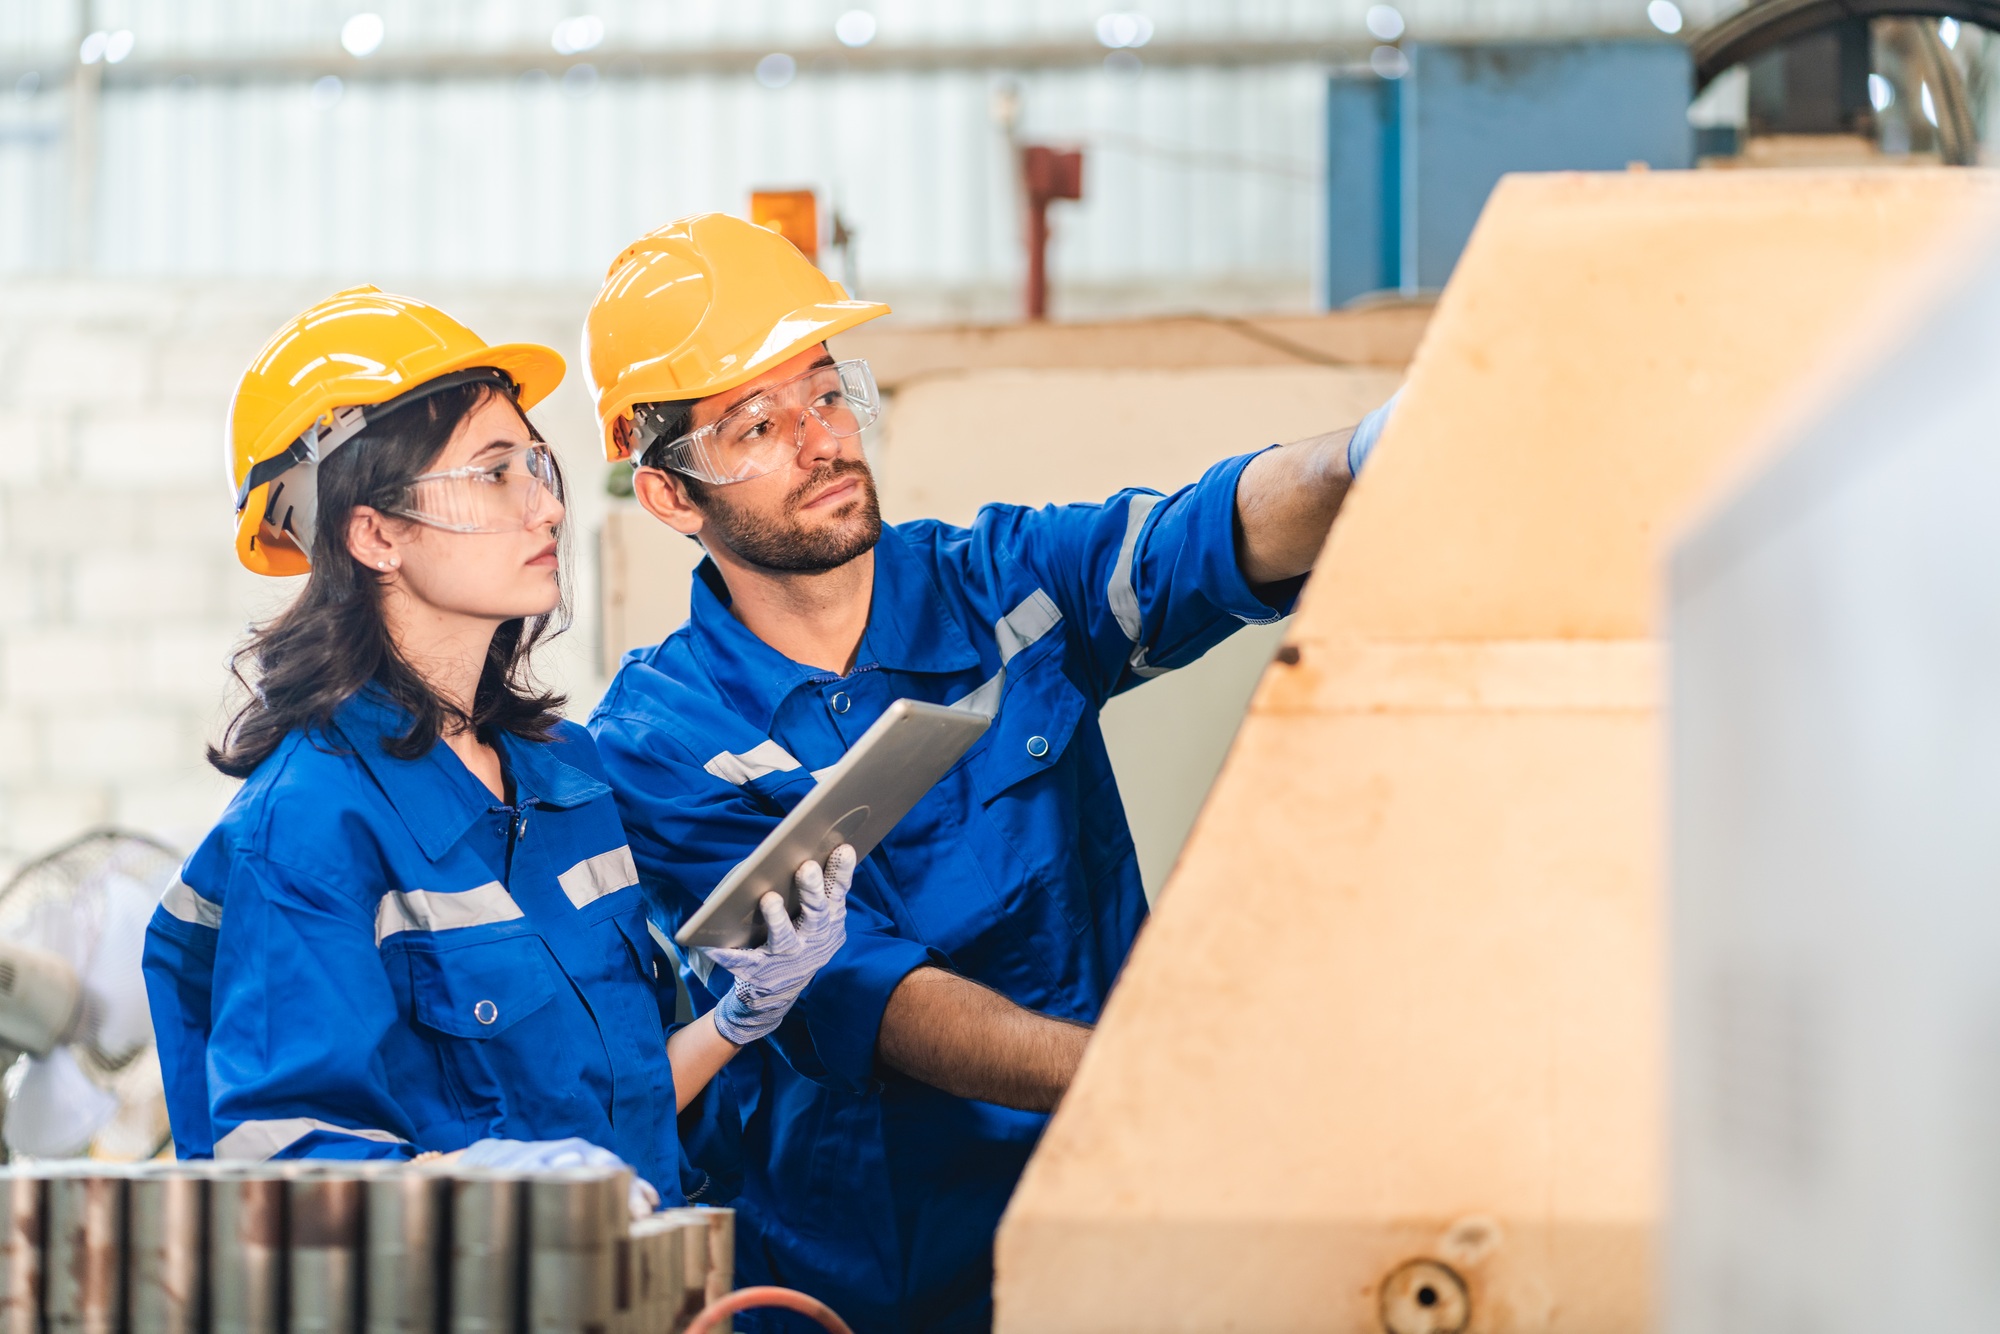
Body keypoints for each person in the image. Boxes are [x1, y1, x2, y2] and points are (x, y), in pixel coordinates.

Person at [581, 213, 1397, 1326]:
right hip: (859, 1278)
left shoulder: (999, 586)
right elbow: (863, 992)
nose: (821, 442)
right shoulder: (661, 739)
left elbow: (1203, 536)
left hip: (1101, 1225)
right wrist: (1147, 1074)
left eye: (827, 393)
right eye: (756, 425)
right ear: (672, 494)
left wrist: (1364, 456)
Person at [141, 287, 848, 1212]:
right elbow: (289, 1176)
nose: (545, 508)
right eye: (493, 474)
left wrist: (737, 1017)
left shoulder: (566, 776)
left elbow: (616, 1117)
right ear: (375, 533)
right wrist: (488, 1191)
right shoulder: (308, 826)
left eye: (535, 466)